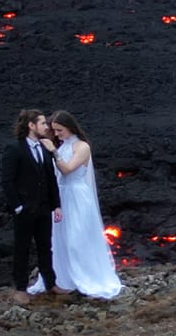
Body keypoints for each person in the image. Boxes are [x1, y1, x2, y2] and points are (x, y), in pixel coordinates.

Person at [31, 110, 122, 301]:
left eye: (60, 130)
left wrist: (53, 151)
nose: (57, 134)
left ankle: (86, 276)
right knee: (59, 239)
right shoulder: (63, 146)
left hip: (77, 197)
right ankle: (64, 279)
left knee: (77, 238)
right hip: (62, 197)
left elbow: (67, 170)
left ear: (70, 127)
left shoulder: (82, 147)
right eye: (54, 131)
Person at [0, 108, 66, 303]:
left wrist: (56, 205)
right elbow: (7, 181)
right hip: (25, 210)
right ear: (31, 125)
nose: (47, 126)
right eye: (43, 123)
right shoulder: (15, 149)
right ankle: (20, 288)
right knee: (22, 248)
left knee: (46, 247)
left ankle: (50, 283)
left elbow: (50, 177)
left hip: (44, 208)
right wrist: (18, 207)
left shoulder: (45, 148)